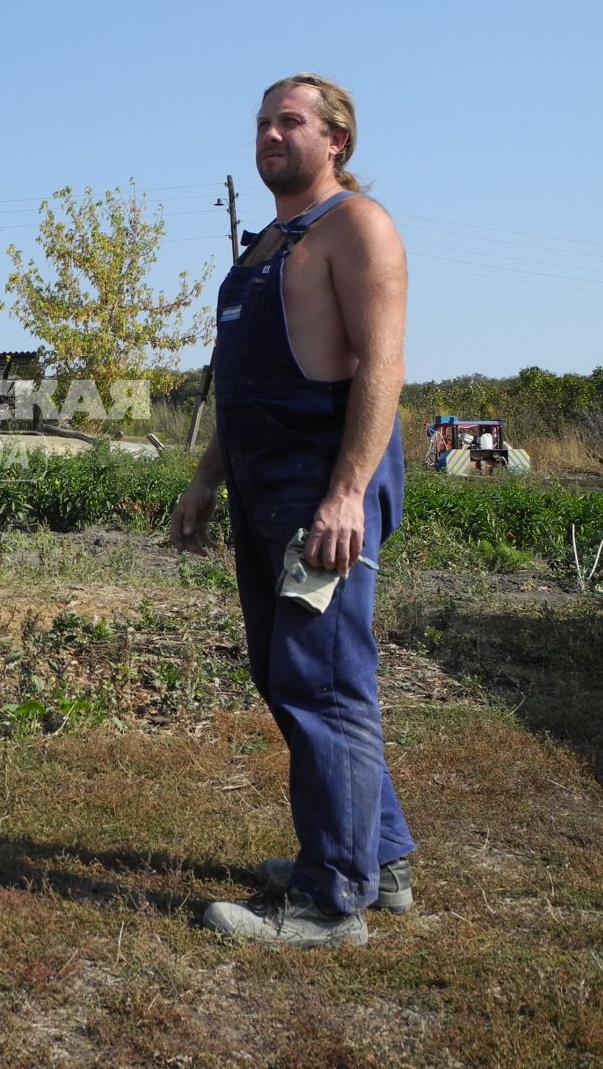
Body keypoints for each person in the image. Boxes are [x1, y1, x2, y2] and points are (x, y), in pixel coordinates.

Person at [170, 73, 413, 947]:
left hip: (322, 489)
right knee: (288, 677)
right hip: (261, 488)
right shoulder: (263, 244)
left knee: (323, 683)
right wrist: (205, 478)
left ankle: (328, 901)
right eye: (262, 122)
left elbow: (382, 369)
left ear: (336, 139)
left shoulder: (356, 227)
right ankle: (374, 856)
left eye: (290, 121)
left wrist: (345, 492)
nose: (270, 134)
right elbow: (238, 388)